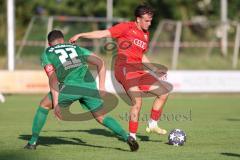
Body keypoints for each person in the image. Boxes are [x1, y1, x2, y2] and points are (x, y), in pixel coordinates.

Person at [69, 5, 172, 141]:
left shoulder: (146, 34)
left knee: (163, 92)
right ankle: (132, 137)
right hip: (124, 69)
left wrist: (154, 69)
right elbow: (103, 33)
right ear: (138, 19)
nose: (149, 23)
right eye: (146, 20)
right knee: (137, 101)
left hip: (138, 70)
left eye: (150, 20)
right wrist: (81, 35)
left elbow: (141, 56)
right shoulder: (126, 27)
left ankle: (153, 124)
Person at [24, 30, 139, 151]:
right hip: (89, 86)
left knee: (43, 106)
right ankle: (127, 137)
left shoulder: (47, 53)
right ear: (63, 40)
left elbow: (53, 79)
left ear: (49, 43)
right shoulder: (76, 48)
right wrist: (102, 88)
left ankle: (32, 142)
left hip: (69, 88)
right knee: (101, 117)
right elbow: (100, 63)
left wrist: (57, 103)